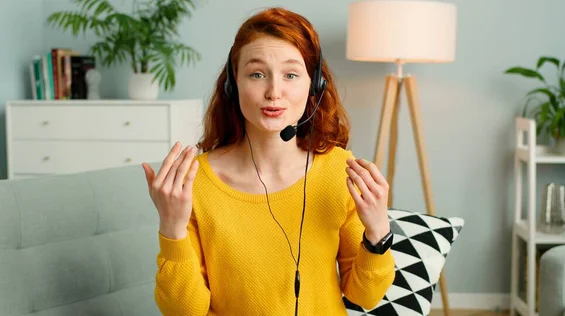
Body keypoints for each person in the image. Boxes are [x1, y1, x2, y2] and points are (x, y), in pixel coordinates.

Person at [141, 7, 395, 316]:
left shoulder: (337, 171)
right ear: (232, 85)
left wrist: (378, 230)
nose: (274, 92)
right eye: (257, 74)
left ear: (315, 86)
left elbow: (365, 296)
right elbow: (184, 311)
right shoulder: (195, 184)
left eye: (291, 75)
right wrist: (171, 227)